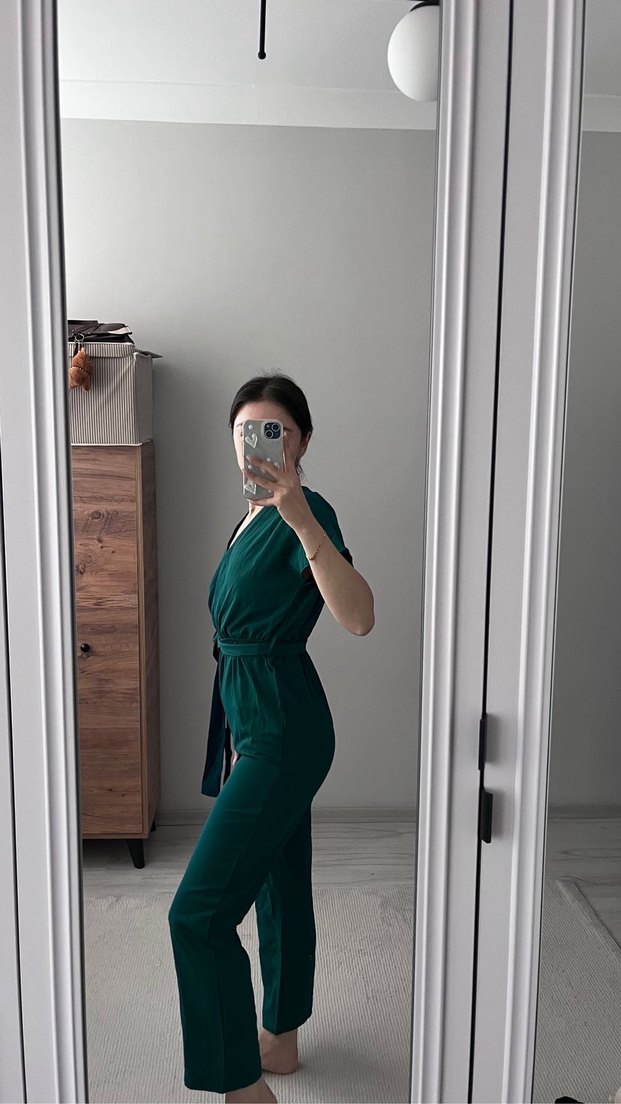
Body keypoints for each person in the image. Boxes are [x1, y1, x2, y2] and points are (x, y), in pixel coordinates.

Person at [168, 373, 375, 1103]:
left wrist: (301, 518)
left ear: (301, 441)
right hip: (251, 719)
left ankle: (242, 1087)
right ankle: (279, 1041)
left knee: (196, 916)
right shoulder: (247, 518)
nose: (254, 443)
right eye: (243, 431)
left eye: (273, 430)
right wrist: (230, 734)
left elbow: (358, 617)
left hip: (284, 726)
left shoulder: (304, 513)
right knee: (278, 882)